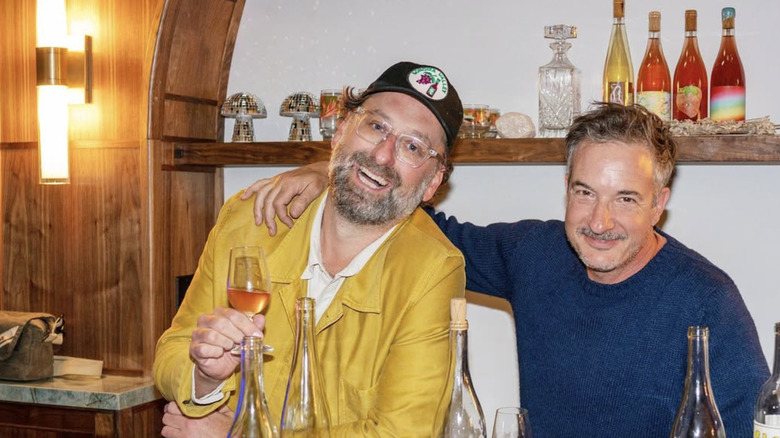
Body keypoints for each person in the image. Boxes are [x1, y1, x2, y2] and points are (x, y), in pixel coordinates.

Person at [242, 102, 770, 438]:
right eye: (584, 192)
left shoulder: (708, 299)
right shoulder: (535, 252)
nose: (599, 221)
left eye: (626, 199)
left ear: (660, 203)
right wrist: (329, 174)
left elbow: (755, 428)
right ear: (565, 188)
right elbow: (420, 220)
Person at [153, 61, 467, 437]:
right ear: (340, 132)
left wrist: (239, 434)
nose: (383, 155)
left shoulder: (433, 268)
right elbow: (174, 347)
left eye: (412, 146)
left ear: (432, 183)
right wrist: (204, 379)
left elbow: (404, 430)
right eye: (376, 126)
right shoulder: (249, 219)